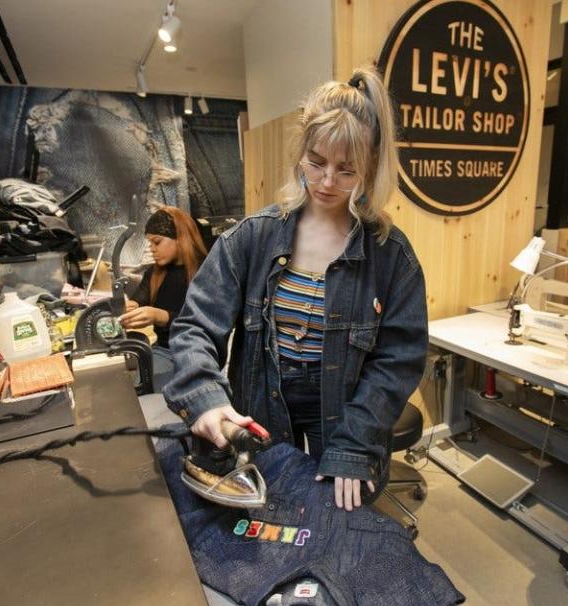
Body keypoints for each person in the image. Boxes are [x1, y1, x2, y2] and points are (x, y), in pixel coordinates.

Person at [163, 67, 428, 512]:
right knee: (268, 524)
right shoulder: (252, 238)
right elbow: (193, 328)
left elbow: (398, 362)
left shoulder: (391, 257)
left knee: (335, 531)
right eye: (317, 162)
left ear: (371, 169)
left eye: (347, 171)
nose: (326, 182)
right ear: (300, 152)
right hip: (261, 413)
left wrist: (355, 446)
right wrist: (205, 400)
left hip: (347, 419)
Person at [120, 206, 208, 354]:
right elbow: (140, 299)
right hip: (164, 349)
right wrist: (131, 306)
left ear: (180, 238)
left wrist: (161, 316)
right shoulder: (156, 272)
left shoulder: (206, 272)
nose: (152, 249)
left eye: (157, 242)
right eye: (150, 243)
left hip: (197, 352)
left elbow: (205, 321)